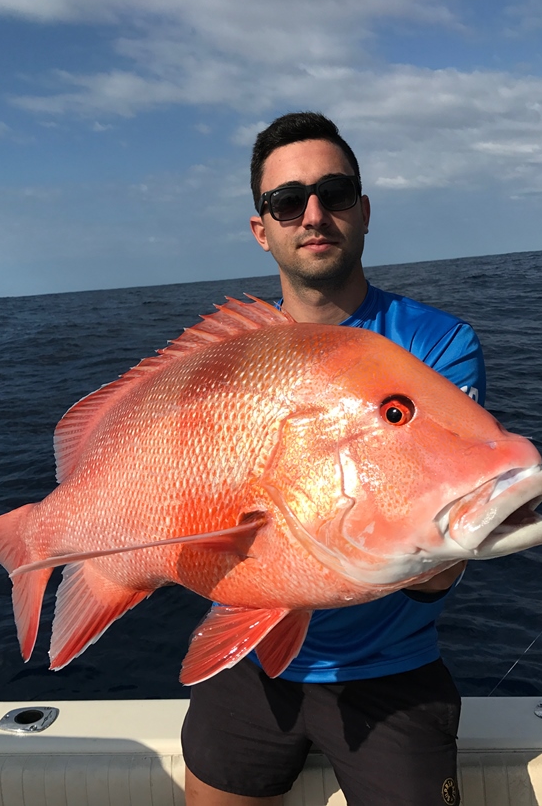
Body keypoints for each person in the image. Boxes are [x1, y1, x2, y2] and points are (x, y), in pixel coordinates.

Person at [181, 112, 485, 806]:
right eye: (287, 200)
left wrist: (453, 531)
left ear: (365, 210)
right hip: (251, 660)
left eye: (335, 192)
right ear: (263, 228)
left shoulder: (434, 346)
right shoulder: (226, 364)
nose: (313, 214)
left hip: (390, 672)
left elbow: (437, 572)